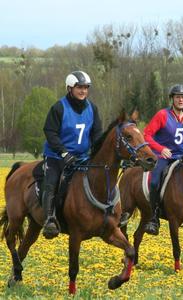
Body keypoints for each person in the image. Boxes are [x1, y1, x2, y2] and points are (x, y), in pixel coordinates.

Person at [41, 71, 103, 239]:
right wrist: (63, 152)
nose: (83, 91)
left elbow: (97, 135)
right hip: (57, 156)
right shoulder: (59, 107)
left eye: (85, 88)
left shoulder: (92, 108)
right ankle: (49, 219)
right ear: (69, 88)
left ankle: (110, 213)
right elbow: (50, 132)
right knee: (52, 182)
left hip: (82, 157)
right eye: (79, 87)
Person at [143, 84, 183, 235]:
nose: (180, 100)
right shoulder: (162, 115)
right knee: (155, 181)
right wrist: (160, 149)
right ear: (172, 99)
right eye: (177, 97)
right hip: (164, 157)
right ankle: (154, 217)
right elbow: (146, 135)